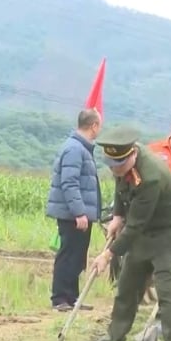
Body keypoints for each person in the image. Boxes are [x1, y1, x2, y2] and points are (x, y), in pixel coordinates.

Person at [91, 126, 171, 341]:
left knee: (167, 293)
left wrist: (108, 254)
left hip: (170, 231)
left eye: (119, 165)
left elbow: (135, 226)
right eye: (111, 165)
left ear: (133, 155)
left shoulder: (151, 177)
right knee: (128, 284)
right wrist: (116, 215)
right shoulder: (121, 165)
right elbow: (120, 186)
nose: (115, 170)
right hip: (146, 228)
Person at [46, 108, 103, 311]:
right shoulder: (74, 149)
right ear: (93, 126)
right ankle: (60, 298)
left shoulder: (82, 148)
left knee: (78, 256)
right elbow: (69, 183)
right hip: (73, 215)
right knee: (68, 253)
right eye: (99, 125)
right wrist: (79, 212)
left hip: (80, 213)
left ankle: (72, 297)